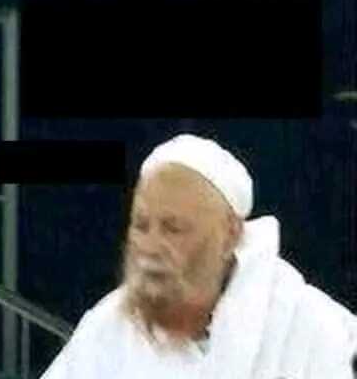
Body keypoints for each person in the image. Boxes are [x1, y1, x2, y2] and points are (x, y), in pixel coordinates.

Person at [40, 134, 357, 379]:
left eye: (173, 228)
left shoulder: (311, 328)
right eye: (141, 225)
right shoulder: (107, 328)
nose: (151, 246)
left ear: (229, 235)